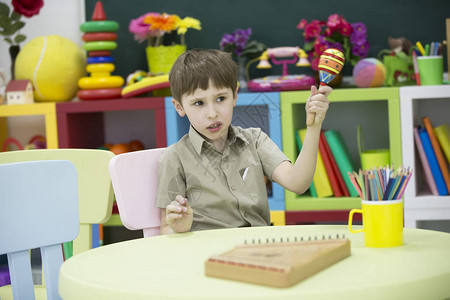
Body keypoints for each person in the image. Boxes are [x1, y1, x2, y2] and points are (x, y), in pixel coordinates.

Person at [156, 49, 331, 234]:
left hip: (258, 249)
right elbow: (166, 228)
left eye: (221, 98)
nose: (212, 113)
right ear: (179, 107)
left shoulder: (255, 140)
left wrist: (314, 127)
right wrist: (180, 228)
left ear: (235, 96)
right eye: (199, 103)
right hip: (208, 255)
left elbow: (298, 183)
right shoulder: (174, 158)